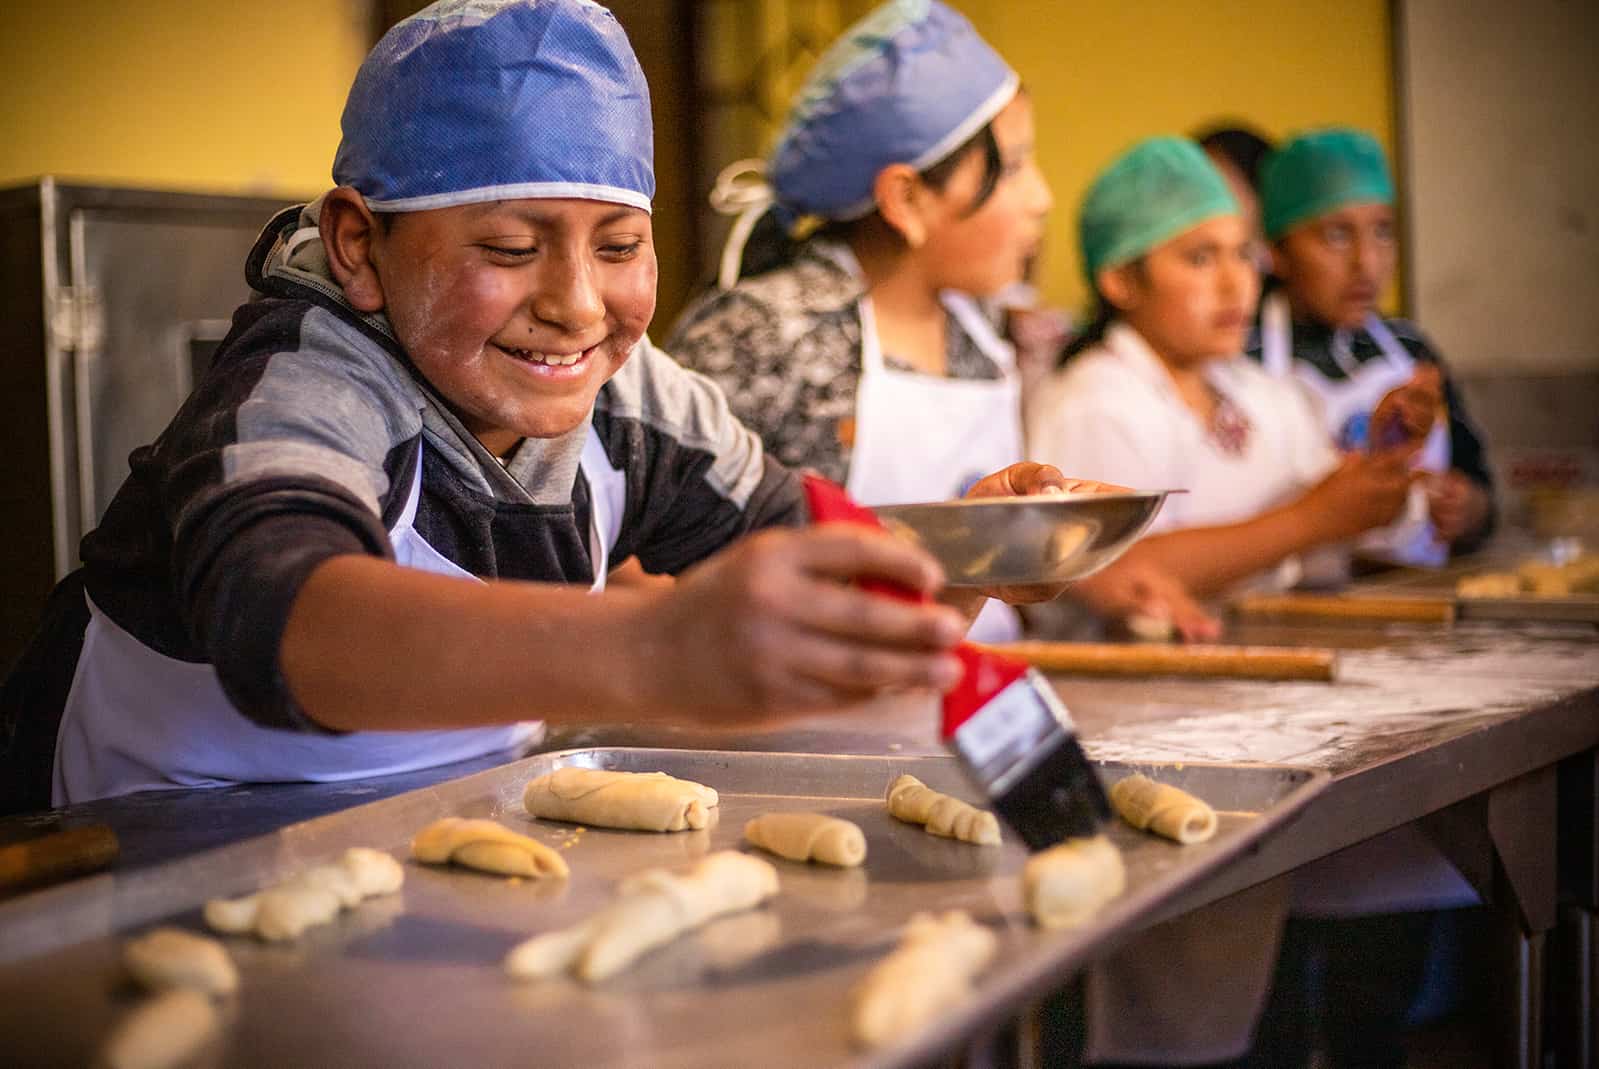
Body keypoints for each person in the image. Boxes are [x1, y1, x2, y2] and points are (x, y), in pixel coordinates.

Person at [0, 0, 1089, 815]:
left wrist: (962, 556)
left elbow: (807, 553)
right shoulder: (303, 386)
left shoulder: (632, 397)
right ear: (358, 245)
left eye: (619, 247)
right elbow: (293, 626)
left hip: (431, 853)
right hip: (142, 870)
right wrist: (652, 648)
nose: (575, 306)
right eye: (510, 248)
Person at [667, 0, 1200, 643]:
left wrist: (1081, 574)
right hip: (807, 719)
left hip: (975, 696)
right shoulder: (763, 332)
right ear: (906, 198)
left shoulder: (978, 329)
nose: (1042, 199)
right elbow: (658, 566)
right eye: (1013, 168)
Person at [1027, 137, 1416, 613]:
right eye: (1201, 258)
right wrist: (1311, 520)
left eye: (1243, 254)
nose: (1236, 285)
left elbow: (1343, 518)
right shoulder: (1096, 402)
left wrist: (1384, 475)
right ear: (1121, 281)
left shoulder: (1257, 392)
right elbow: (1118, 572)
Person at [1249, 127, 1495, 566]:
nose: (1367, 263)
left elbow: (1480, 490)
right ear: (1277, 251)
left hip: (1413, 599)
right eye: (1336, 235)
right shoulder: (1242, 356)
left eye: (1383, 231)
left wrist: (1467, 508)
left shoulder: (1408, 347)